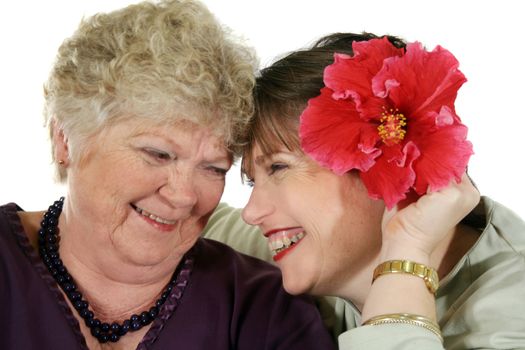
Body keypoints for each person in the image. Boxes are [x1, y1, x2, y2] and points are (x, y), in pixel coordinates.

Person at [0, 1, 336, 349]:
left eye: (213, 168)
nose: (184, 196)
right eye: (157, 154)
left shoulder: (265, 308)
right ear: (65, 140)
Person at [203, 32, 525, 349]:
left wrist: (407, 250)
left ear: (389, 162)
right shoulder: (327, 248)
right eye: (251, 181)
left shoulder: (512, 321)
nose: (251, 212)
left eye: (278, 167)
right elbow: (190, 220)